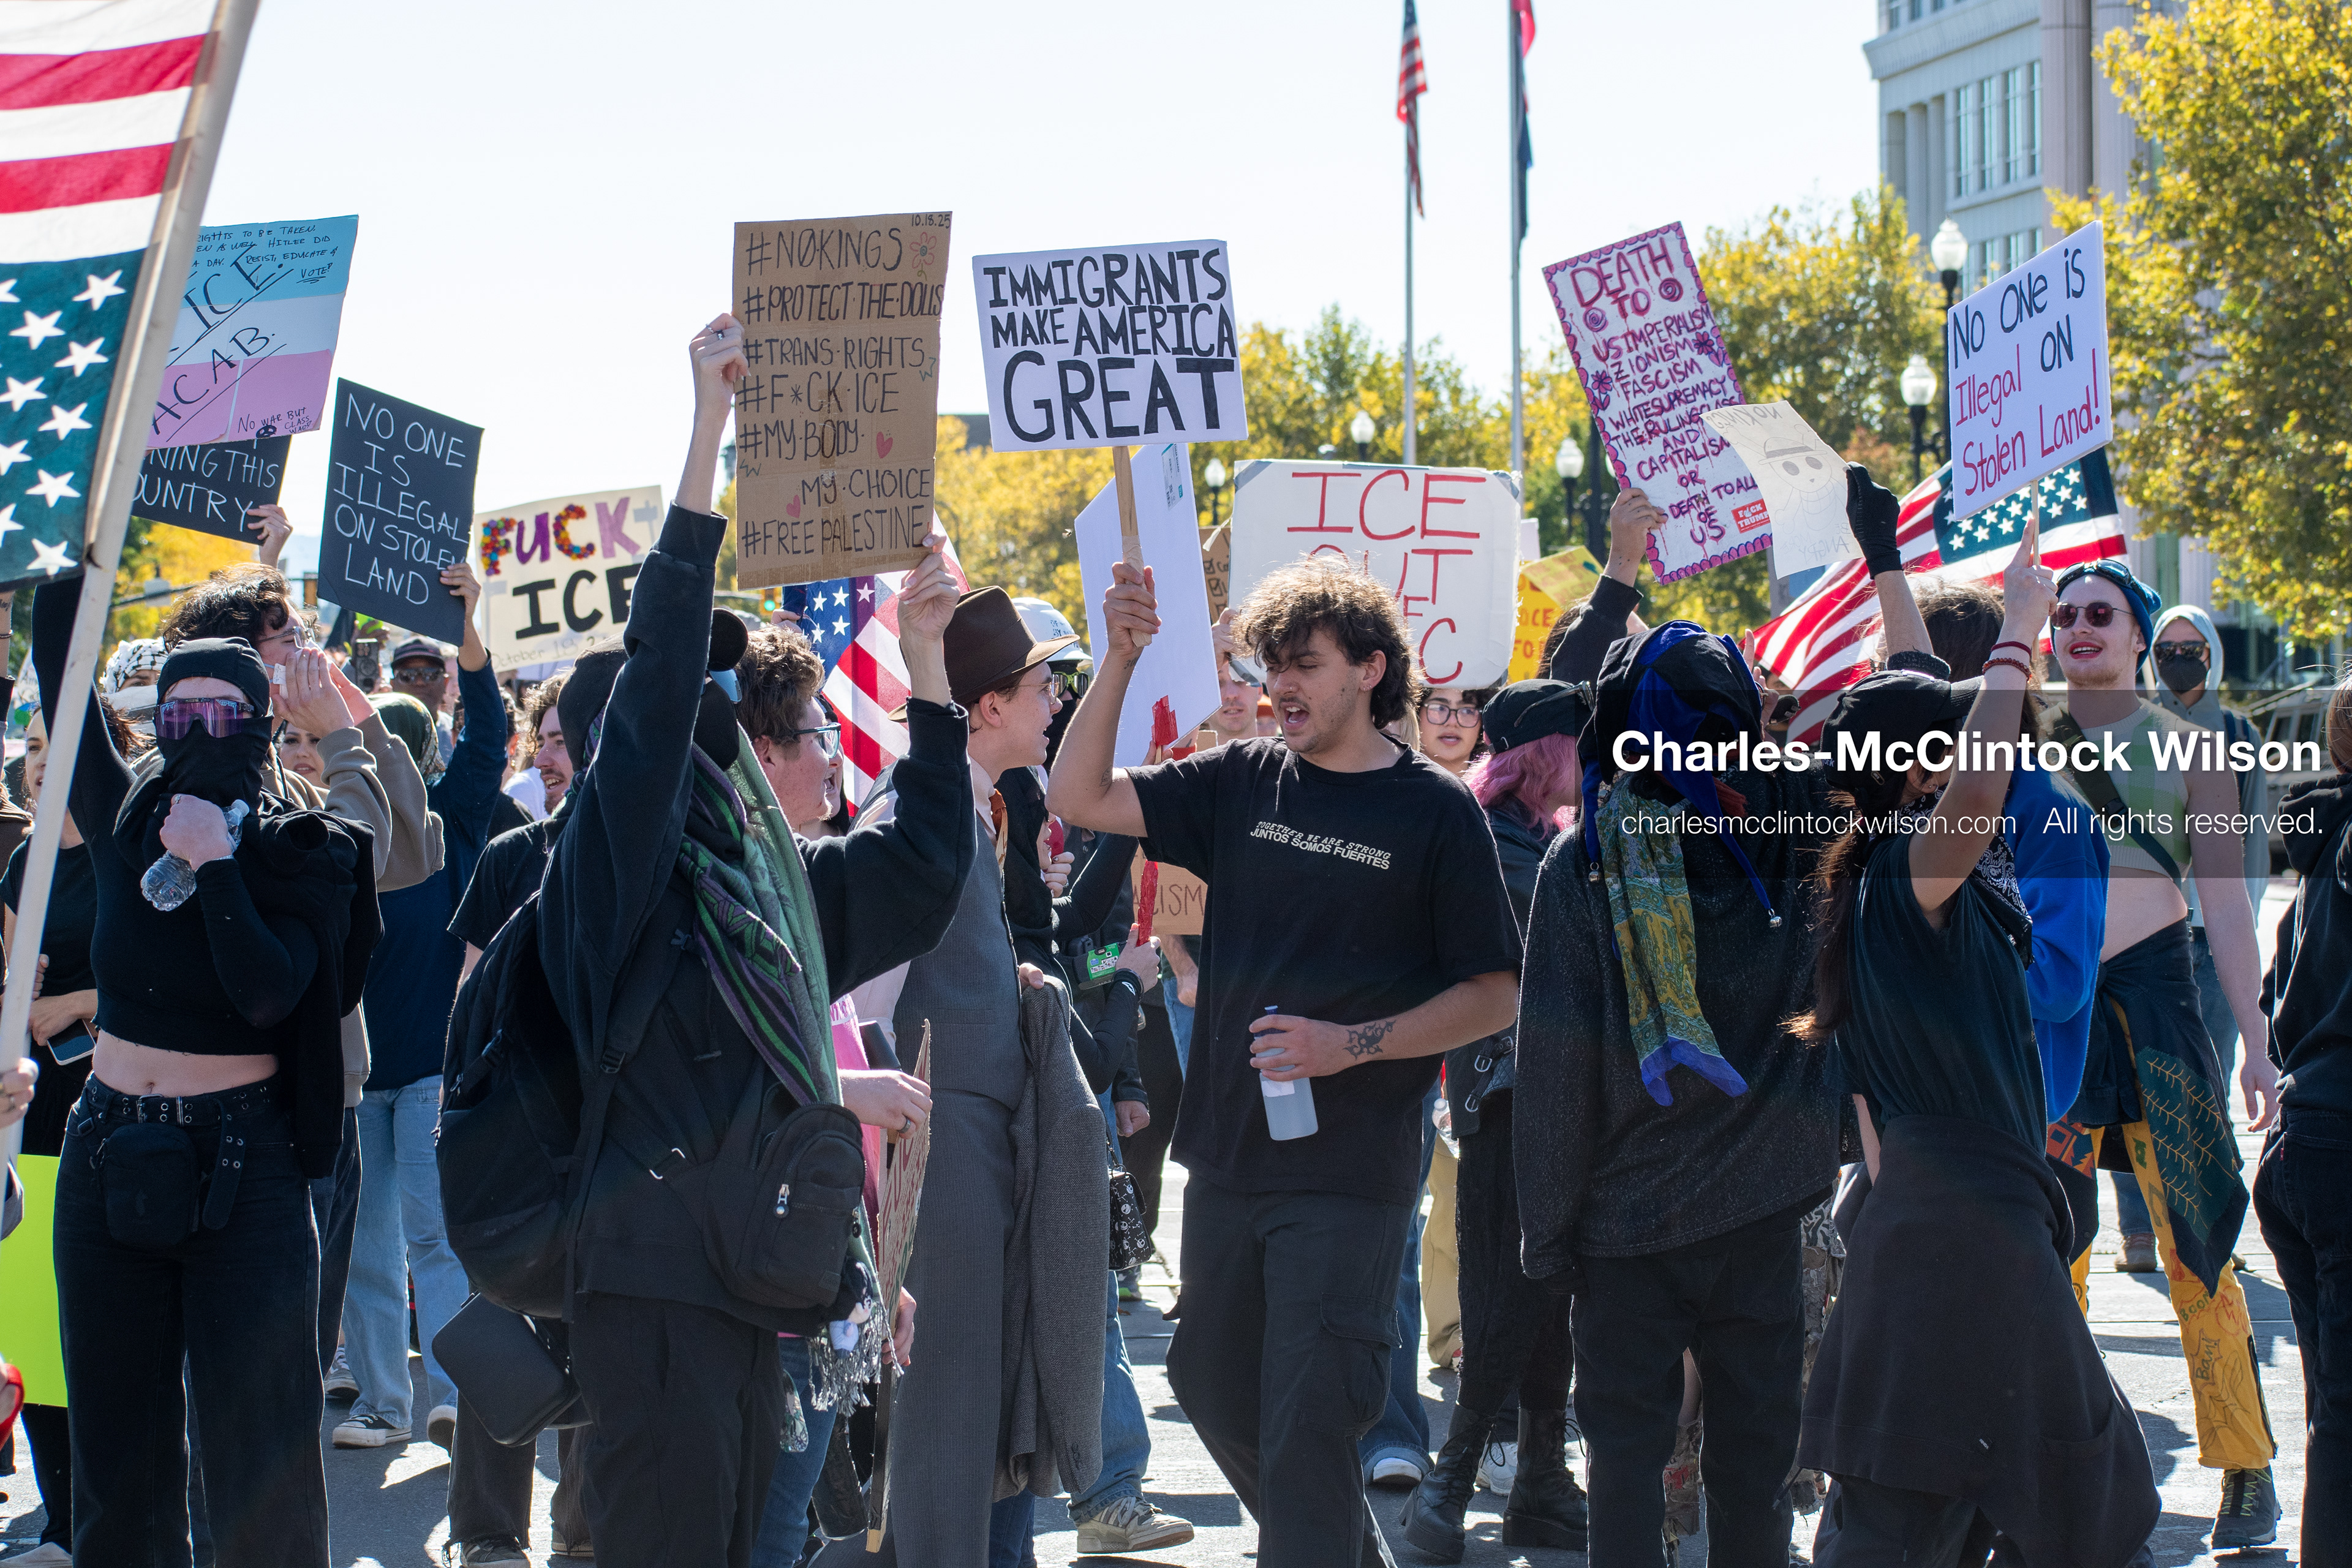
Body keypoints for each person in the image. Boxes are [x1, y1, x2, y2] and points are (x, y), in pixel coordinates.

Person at [537, 314, 968, 1566]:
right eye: (692, 706)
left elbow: (928, 863)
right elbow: (664, 652)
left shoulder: (773, 886)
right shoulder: (607, 880)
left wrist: (929, 659)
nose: (715, 718)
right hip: (651, 1301)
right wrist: (707, 429)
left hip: (773, 1295)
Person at [1051, 552, 1523, 1568]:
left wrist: (1348, 1047)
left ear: (1366, 666)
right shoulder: (1242, 776)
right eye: (1271, 665)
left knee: (1311, 1422)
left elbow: (1496, 991)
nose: (1281, 687)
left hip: (1352, 1176)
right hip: (1228, 1159)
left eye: (1303, 663)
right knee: (1212, 1383)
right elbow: (1080, 795)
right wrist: (1120, 661)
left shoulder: (1437, 812)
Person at [1513, 469, 1926, 1566]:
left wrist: (1546, 1242)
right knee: (1755, 1487)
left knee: (1625, 1495)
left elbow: (1552, 1071)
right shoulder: (1801, 816)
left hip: (1621, 1229)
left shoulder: (1585, 858)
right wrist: (1884, 560)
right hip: (1766, 1217)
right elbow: (1916, 715)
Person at [1796, 514, 2160, 1564]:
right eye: (1959, 745)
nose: (1986, 756)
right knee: (1935, 1522)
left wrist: (1895, 572)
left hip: (1962, 1237)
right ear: (1919, 777)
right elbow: (1975, 782)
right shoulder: (1909, 875)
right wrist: (2014, 633)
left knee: (2033, 1513)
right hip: (1955, 1254)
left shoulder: (1890, 882)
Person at [32, 577, 377, 1566]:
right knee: (118, 1459)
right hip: (106, 1155)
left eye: (220, 714)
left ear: (259, 720)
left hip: (247, 1171)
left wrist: (219, 865)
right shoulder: (120, 812)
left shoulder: (307, 847)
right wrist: (82, 544)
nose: (195, 732)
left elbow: (272, 995)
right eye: (176, 714)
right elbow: (62, 674)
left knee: (257, 1459)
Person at [847, 575, 1114, 1568]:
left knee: (992, 1431)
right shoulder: (912, 812)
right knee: (944, 1435)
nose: (1057, 706)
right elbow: (856, 1006)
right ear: (990, 705)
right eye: (1046, 688)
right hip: (939, 1153)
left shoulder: (971, 808)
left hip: (980, 1149)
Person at [2039, 558, 2282, 1545]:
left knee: (2200, 1243)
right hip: (2053, 1011)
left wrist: (2259, 1040)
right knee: (2051, 1247)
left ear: (2140, 634)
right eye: (2064, 615)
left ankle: (2245, 1470)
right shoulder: (2018, 734)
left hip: (2162, 1010)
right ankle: (2058, 1465)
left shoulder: (2196, 750)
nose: (2079, 627)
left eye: (2101, 613)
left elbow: (2224, 902)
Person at [158, 562, 442, 1381]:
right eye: (288, 641)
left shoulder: (289, 768)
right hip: (269, 1098)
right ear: (239, 667)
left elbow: (414, 852)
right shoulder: (216, 784)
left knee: (304, 1356)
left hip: (331, 1083)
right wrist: (345, 739)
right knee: (268, 1367)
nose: (312, 652)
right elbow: (358, 864)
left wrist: (352, 717)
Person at [728, 620, 956, 1568]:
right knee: (770, 1528)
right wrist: (848, 1088)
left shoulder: (793, 881)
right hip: (751, 1284)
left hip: (817, 1270)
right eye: (820, 734)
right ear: (765, 752)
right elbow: (734, 1066)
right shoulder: (731, 888)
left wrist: (870, 1274)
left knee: (787, 1523)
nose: (835, 756)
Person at [1402, 679, 1589, 1561]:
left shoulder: (1528, 833)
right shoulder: (1504, 843)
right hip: (1509, 1100)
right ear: (1550, 753)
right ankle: (1453, 1473)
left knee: (1544, 1289)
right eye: (1584, 744)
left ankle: (1544, 1480)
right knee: (1509, 1288)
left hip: (1531, 1100)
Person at [334, 562, 506, 1455]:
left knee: (435, 1241)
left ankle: (450, 1394)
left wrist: (470, 622)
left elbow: (493, 731)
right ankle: (381, 1402)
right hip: (362, 1077)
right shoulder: (340, 834)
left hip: (436, 1072)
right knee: (368, 1250)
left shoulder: (457, 820)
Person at [0, 695, 116, 1567]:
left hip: (113, 1116)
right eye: (33, 747)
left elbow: (162, 986)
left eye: (59, 746)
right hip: (30, 1118)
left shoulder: (127, 858)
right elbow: (13, 1006)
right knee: (38, 1329)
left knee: (105, 1334)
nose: (41, 762)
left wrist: (69, 1002)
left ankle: (118, 1517)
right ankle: (64, 1524)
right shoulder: (22, 870)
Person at [2255, 671, 2352, 1562]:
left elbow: (2275, 996)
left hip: (2303, 1144)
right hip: (2333, 1146)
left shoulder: (2324, 847)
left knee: (2335, 1416)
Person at [1414, 688, 1484, 777]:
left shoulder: (1501, 790)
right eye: (1439, 708)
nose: (1452, 722)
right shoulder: (1393, 788)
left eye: (1467, 711)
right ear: (1416, 714)